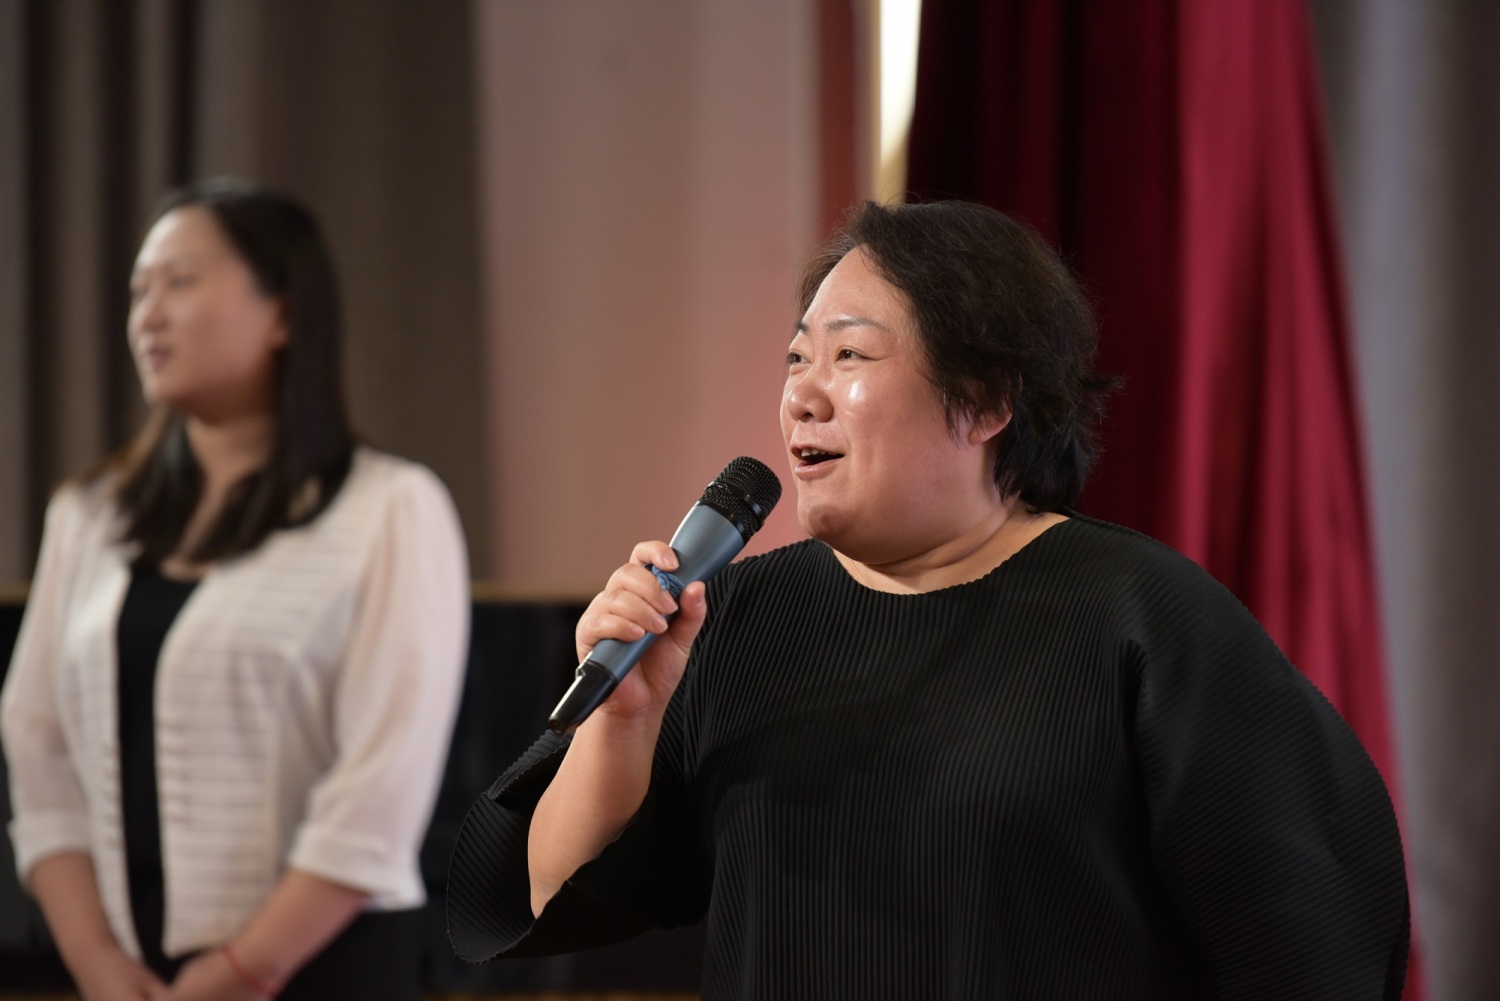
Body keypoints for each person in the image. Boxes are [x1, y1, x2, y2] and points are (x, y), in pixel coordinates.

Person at [446, 200, 1408, 999]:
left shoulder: (1142, 619)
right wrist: (624, 719)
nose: (803, 395)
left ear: (986, 400)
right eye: (797, 359)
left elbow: (1308, 934)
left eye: (850, 358)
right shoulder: (729, 616)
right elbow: (534, 898)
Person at [1, 179, 470, 1001]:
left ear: (283, 312)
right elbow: (37, 750)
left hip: (325, 968)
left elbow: (379, 787)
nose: (148, 315)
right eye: (139, 290)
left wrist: (243, 969)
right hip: (125, 971)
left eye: (180, 282)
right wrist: (96, 960)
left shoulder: (391, 508)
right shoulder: (88, 515)